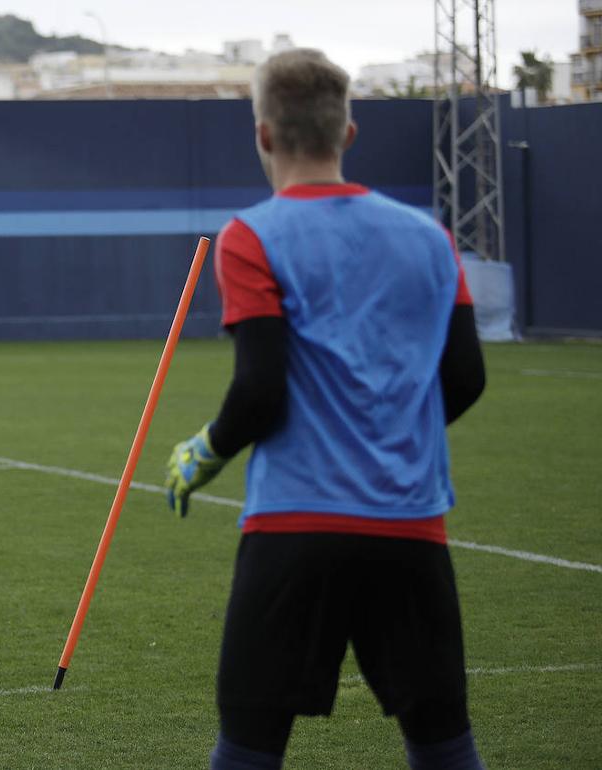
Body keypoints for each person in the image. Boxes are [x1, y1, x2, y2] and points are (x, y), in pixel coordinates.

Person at [163, 49, 487, 770]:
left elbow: (260, 392)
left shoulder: (252, 236)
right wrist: (392, 434)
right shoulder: (430, 238)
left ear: (264, 135)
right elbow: (465, 378)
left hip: (294, 532)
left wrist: (204, 452)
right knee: (444, 747)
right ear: (349, 133)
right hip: (410, 529)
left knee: (248, 749)